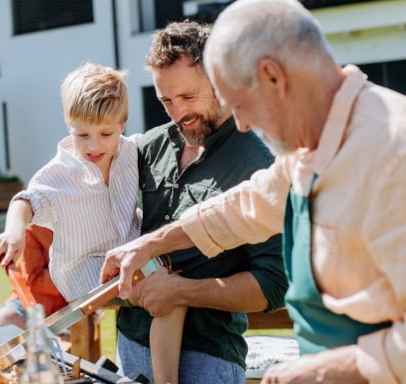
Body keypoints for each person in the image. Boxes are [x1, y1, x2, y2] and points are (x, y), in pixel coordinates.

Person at [101, 1, 406, 383]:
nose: (240, 125)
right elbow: (248, 206)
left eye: (240, 104)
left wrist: (329, 368)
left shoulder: (401, 151)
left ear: (274, 76)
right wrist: (152, 243)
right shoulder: (314, 146)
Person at [109, 21, 288, 384]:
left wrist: (182, 292)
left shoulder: (260, 165)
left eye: (188, 98)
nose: (178, 114)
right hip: (131, 342)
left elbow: (273, 284)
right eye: (166, 101)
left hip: (208, 357)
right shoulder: (146, 147)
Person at [0, 62, 186, 382]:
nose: (93, 146)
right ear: (69, 125)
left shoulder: (130, 151)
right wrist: (13, 232)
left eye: (105, 134)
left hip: (125, 256)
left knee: (172, 286)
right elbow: (24, 200)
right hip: (84, 271)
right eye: (82, 135)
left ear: (122, 125)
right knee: (167, 298)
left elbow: (167, 139)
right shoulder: (58, 174)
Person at [0, 224, 66, 330]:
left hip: (72, 306)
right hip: (28, 304)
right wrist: (75, 278)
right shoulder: (32, 227)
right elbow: (35, 279)